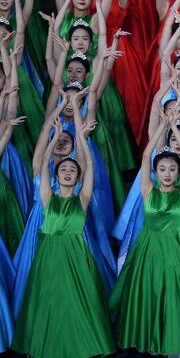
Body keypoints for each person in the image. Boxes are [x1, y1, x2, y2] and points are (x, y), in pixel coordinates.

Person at [111, 108, 180, 355]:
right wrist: (163, 127)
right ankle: (151, 339)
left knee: (178, 293)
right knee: (150, 291)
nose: (167, 173)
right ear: (155, 172)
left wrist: (175, 131)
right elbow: (145, 156)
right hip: (148, 249)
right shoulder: (147, 191)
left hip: (178, 249)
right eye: (162, 169)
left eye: (172, 169)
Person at [12, 94, 114, 358]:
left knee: (82, 299)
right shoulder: (48, 195)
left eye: (72, 170)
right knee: (49, 300)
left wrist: (79, 134)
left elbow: (87, 162)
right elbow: (43, 166)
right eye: (64, 171)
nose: (68, 172)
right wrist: (53, 137)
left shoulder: (82, 196)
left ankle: (87, 343)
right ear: (57, 175)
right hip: (49, 253)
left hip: (77, 255)